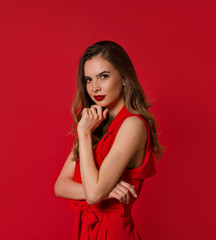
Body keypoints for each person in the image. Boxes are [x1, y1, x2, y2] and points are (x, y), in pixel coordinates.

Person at [54, 40, 164, 240]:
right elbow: (60, 186)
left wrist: (85, 135)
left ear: (124, 77)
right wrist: (107, 189)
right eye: (88, 79)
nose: (94, 87)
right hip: (86, 230)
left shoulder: (132, 124)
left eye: (103, 76)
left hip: (112, 232)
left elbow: (94, 195)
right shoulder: (93, 123)